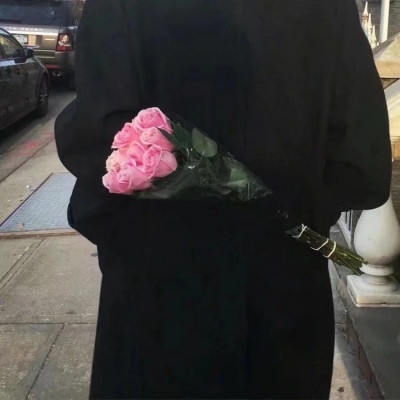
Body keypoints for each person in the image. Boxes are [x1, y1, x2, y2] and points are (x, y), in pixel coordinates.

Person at [55, 0, 392, 398]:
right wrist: (293, 210)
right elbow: (360, 165)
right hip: (283, 287)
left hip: (161, 293)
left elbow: (98, 139)